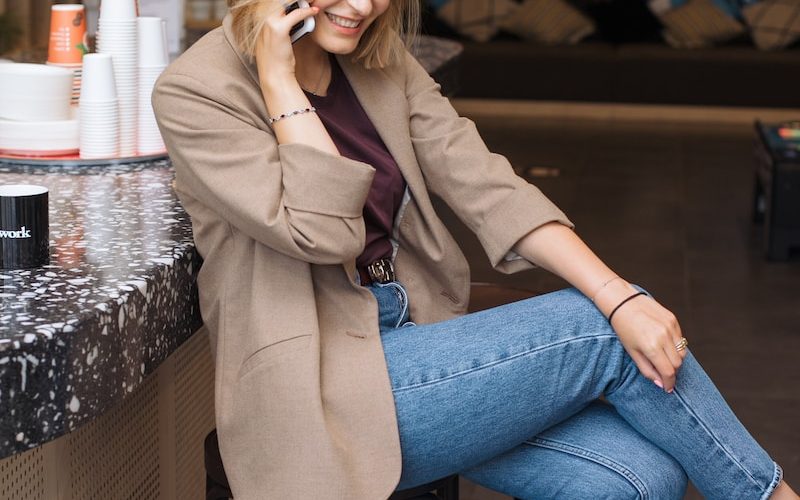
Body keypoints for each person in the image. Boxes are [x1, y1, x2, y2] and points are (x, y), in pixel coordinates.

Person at [152, 0, 799, 498]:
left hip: (413, 338)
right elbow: (323, 232)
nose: (364, 6)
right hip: (318, 383)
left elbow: (489, 187)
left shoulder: (378, 62)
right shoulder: (197, 91)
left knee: (639, 478)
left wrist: (620, 292)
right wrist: (281, 81)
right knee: (599, 328)